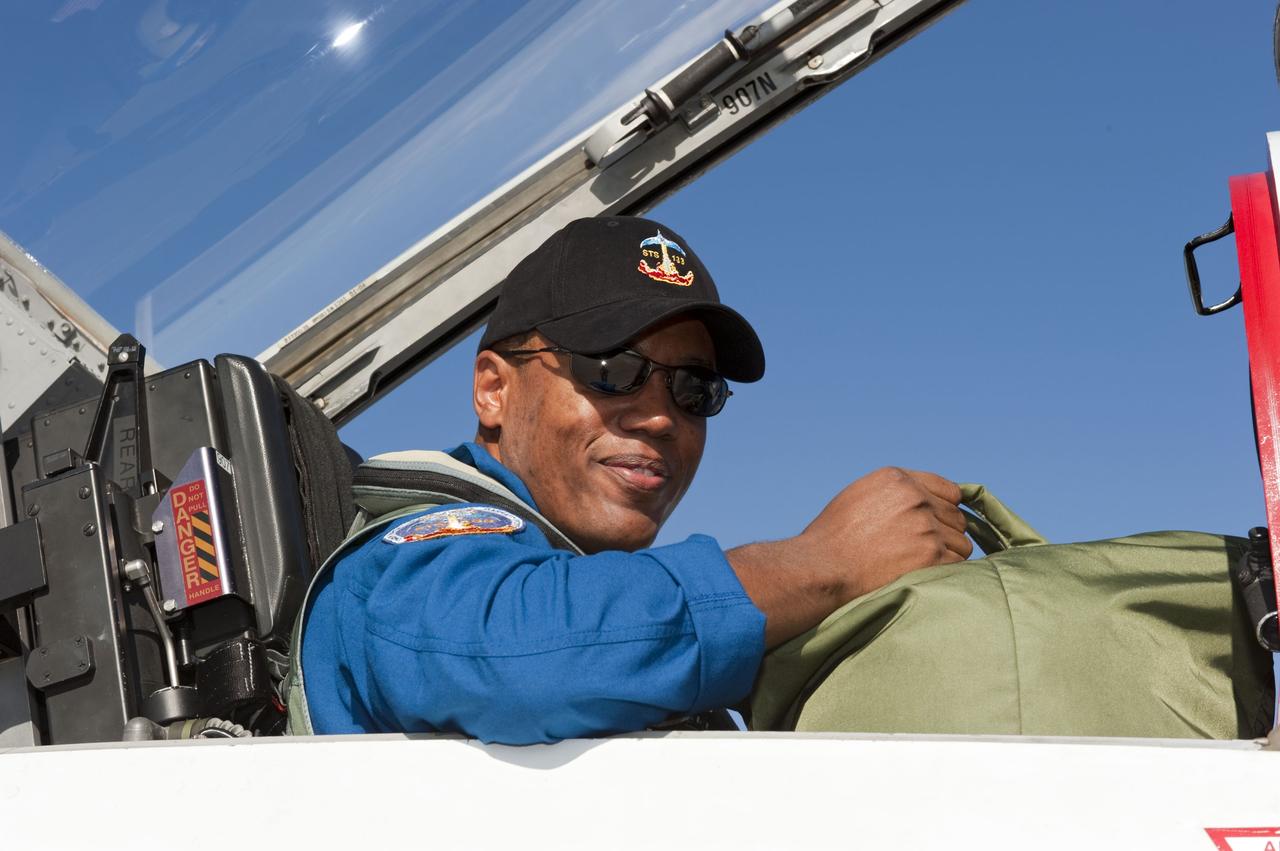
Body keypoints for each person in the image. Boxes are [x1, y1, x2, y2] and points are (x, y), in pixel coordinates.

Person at [294, 216, 972, 744]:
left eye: (694, 388)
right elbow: (524, 656)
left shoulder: (607, 613)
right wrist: (826, 562)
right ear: (493, 390)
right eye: (611, 368)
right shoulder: (401, 566)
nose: (658, 416)